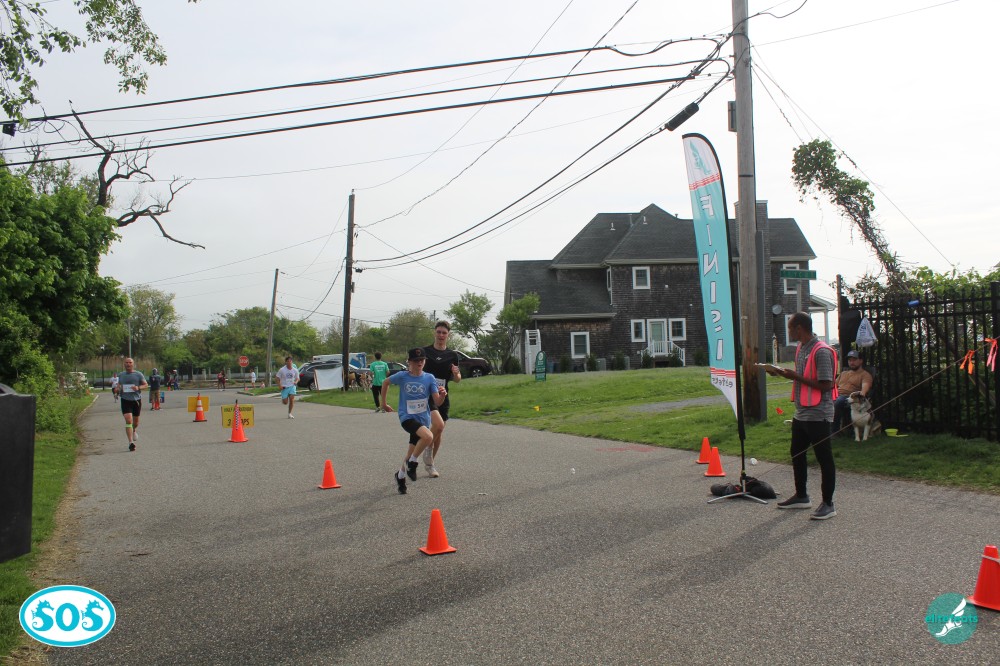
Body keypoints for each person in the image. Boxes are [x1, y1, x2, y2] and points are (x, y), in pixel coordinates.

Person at [763, 312, 839, 520]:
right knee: (796, 453)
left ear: (799, 328)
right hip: (802, 411)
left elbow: (827, 385)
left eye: (790, 328)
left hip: (819, 413)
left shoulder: (821, 351)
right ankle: (802, 496)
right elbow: (804, 377)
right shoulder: (801, 348)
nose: (788, 332)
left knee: (824, 459)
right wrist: (781, 373)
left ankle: (828, 504)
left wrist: (795, 376)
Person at [381, 347, 446, 495]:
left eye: (422, 360)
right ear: (409, 362)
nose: (419, 363)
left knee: (411, 452)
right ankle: (413, 462)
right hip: (407, 418)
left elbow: (437, 401)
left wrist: (442, 395)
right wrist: (383, 403)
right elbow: (385, 382)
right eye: (416, 360)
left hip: (422, 419)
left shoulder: (429, 378)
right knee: (428, 437)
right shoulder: (402, 376)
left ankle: (400, 476)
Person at [422, 320, 462, 478]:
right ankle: (426, 454)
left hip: (442, 394)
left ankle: (430, 462)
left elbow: (457, 379)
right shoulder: (425, 351)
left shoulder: (452, 355)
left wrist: (456, 373)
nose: (441, 335)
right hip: (426, 394)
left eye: (444, 333)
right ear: (434, 332)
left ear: (448, 335)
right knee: (435, 426)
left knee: (440, 429)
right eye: (438, 332)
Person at [832, 350, 873, 435]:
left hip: (849, 398)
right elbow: (833, 386)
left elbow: (864, 390)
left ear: (861, 361)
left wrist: (861, 394)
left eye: (854, 360)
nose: (851, 362)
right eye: (849, 360)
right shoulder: (843, 373)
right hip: (836, 395)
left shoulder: (865, 375)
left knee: (838, 401)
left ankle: (834, 432)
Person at [117, 358, 148, 452]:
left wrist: (138, 387)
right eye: (126, 362)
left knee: (135, 423)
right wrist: (118, 389)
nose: (128, 364)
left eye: (130, 362)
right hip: (125, 400)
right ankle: (131, 443)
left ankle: (134, 430)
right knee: (128, 420)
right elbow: (118, 385)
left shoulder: (138, 374)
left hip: (136, 400)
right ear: (124, 364)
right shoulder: (121, 375)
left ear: (133, 364)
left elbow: (146, 385)